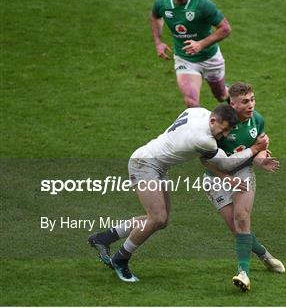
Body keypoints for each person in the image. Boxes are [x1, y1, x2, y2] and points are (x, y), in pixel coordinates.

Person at [88, 104, 275, 282]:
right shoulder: (203, 140)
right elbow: (226, 163)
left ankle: (103, 238)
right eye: (223, 130)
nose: (224, 135)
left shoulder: (198, 111)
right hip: (144, 164)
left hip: (158, 165)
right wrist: (255, 149)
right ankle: (121, 259)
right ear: (213, 120)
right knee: (157, 218)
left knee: (162, 220)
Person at [202, 83, 285, 292]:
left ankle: (243, 273)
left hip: (243, 173)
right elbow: (206, 160)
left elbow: (259, 150)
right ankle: (264, 255)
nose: (251, 105)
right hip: (216, 177)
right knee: (236, 229)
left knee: (241, 217)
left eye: (253, 100)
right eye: (245, 102)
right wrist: (225, 177)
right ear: (233, 103)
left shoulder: (257, 120)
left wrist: (261, 160)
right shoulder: (220, 125)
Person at [150, 0, 232, 108]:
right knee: (191, 102)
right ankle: (201, 130)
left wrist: (200, 44)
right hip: (185, 59)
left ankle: (234, 96)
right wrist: (158, 42)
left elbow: (225, 29)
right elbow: (155, 17)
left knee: (221, 96)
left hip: (210, 57)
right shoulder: (161, 3)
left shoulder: (202, 3)